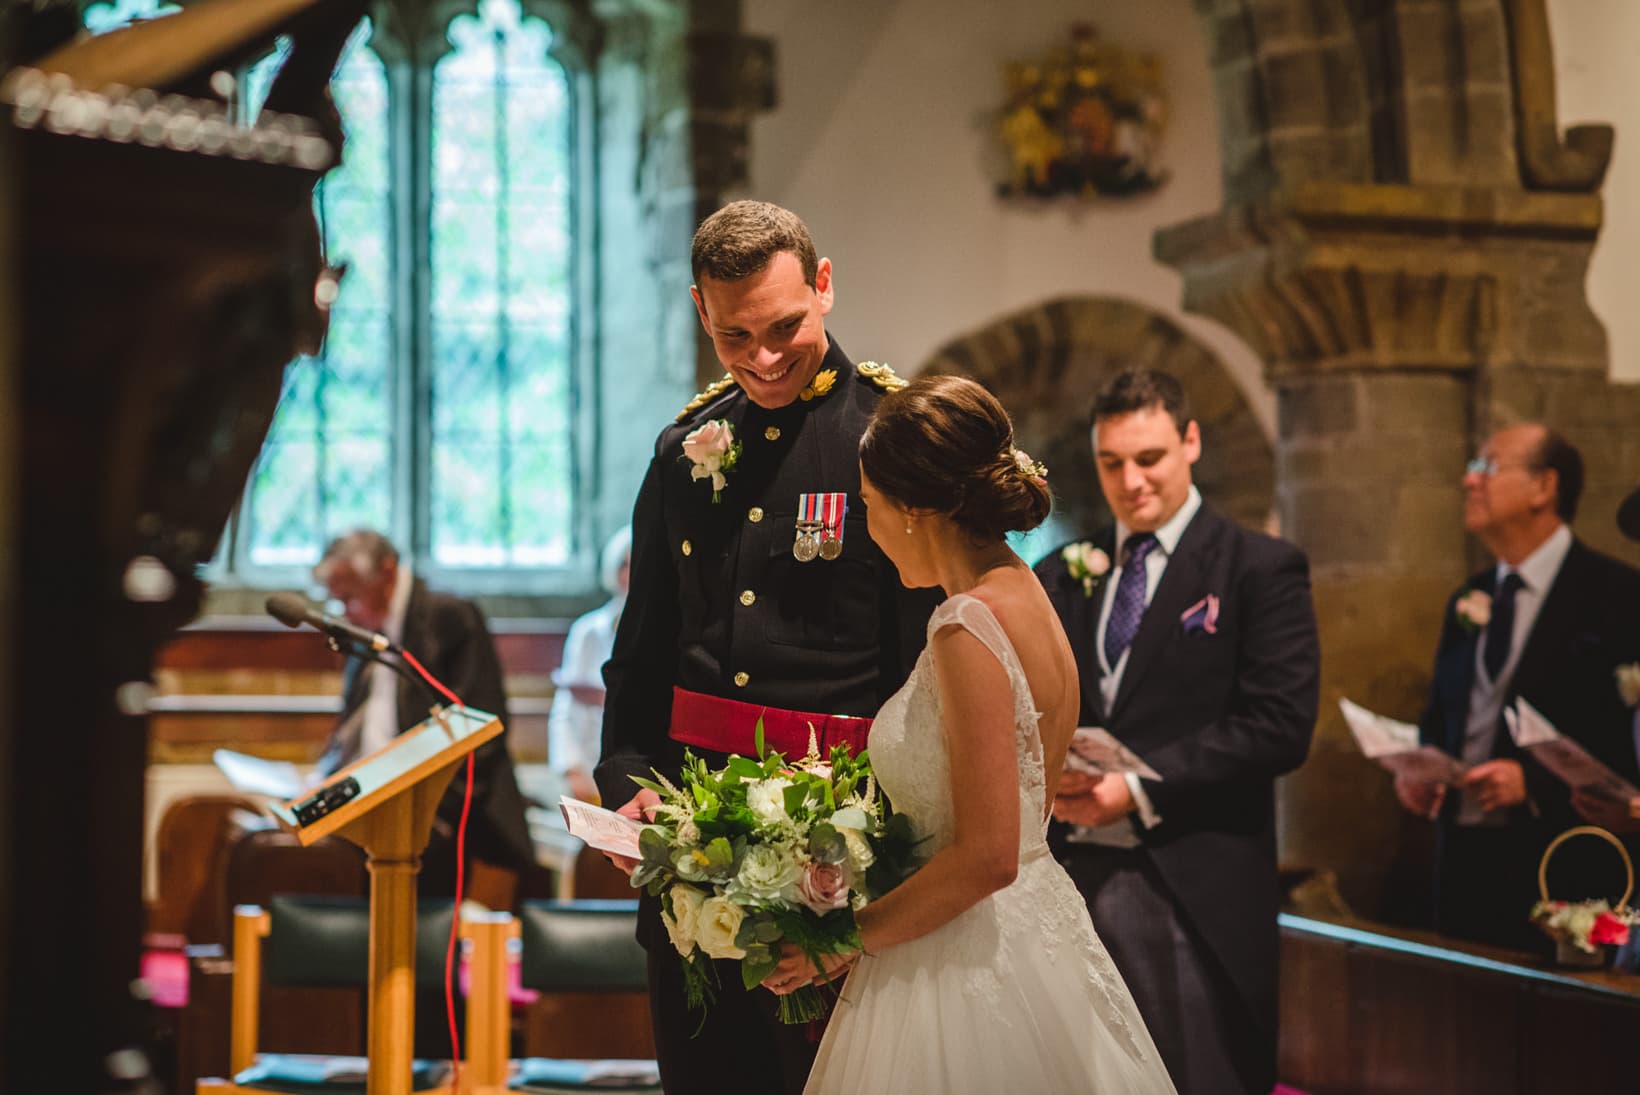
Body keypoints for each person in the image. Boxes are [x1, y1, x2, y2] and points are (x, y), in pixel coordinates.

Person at [594, 200, 936, 1095]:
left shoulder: (890, 439)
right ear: (704, 314)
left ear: (824, 286)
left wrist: (886, 870)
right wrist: (627, 788)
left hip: (838, 861)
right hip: (693, 864)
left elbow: (921, 676)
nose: (765, 357)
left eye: (784, 325)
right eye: (735, 335)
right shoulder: (684, 450)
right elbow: (641, 655)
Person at [768, 374, 1176, 1094]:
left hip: (963, 954)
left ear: (916, 509)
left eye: (869, 506)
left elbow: (988, 855)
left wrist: (841, 937)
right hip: (1026, 936)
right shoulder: (1029, 595)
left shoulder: (966, 625)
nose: (868, 524)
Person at [1034, 367, 1319, 1095]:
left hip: (1192, 875)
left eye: (1149, 458)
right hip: (1068, 874)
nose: (1130, 481)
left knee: (1192, 1075)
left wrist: (1132, 788)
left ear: (1191, 441)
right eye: (1111, 463)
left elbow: (1280, 725)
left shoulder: (1259, 567)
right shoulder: (1063, 571)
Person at [1394, 425, 1640, 951]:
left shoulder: (1616, 595)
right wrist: (1420, 771)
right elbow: (1445, 717)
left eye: (1487, 467)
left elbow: (1624, 744)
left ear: (1543, 487)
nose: (1469, 480)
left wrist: (1535, 784)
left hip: (1561, 862)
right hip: (1461, 858)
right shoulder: (1472, 596)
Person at [313, 528, 535, 905]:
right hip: (372, 806)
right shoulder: (361, 626)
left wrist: (419, 808)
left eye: (349, 596)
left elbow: (480, 730)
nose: (343, 610)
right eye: (336, 599)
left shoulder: (449, 617)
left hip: (447, 819)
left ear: (386, 574)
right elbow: (360, 720)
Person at [548, 526, 631, 803]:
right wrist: (571, 769)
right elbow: (565, 708)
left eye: (637, 565)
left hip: (636, 768)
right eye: (623, 565)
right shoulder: (587, 630)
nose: (629, 575)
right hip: (588, 761)